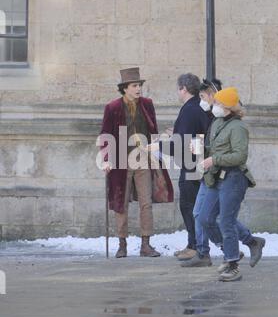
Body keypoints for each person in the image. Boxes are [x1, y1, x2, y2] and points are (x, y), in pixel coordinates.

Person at [183, 82, 265, 268]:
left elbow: (239, 155)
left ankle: (231, 263)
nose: (215, 106)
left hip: (233, 179)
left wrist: (214, 159)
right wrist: (200, 148)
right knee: (205, 218)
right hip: (215, 177)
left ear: (228, 107)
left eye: (219, 103)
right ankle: (235, 248)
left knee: (226, 221)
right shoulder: (218, 122)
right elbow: (214, 147)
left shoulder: (238, 127)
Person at [100, 67, 174, 258]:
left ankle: (146, 244)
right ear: (125, 88)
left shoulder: (147, 104)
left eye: (139, 85)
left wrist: (157, 150)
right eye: (134, 85)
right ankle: (122, 244)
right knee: (121, 203)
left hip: (143, 159)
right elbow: (106, 135)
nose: (138, 88)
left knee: (146, 203)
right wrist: (107, 159)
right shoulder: (113, 107)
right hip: (121, 161)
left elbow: (153, 130)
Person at [148, 73, 209, 261]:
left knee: (189, 206)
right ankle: (201, 245)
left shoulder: (189, 109)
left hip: (192, 165)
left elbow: (183, 143)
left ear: (183, 88)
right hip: (198, 163)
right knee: (197, 208)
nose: (178, 92)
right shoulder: (199, 107)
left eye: (178, 88)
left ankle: (196, 246)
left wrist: (158, 146)